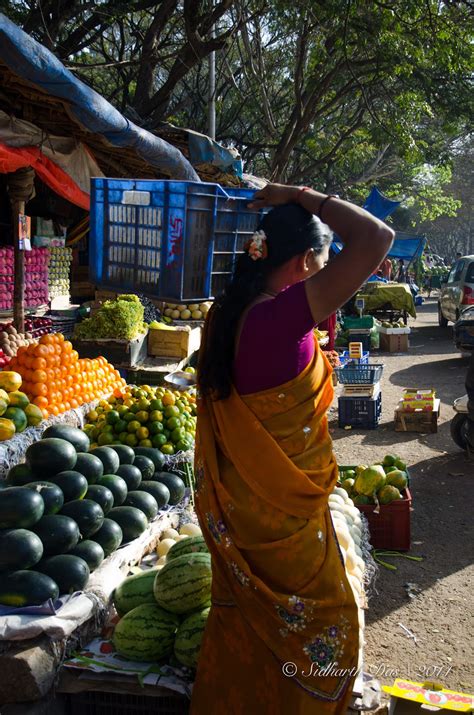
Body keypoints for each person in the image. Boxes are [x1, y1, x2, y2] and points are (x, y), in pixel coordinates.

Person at [192, 184, 394, 714]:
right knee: (324, 621)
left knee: (248, 623)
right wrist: (301, 194)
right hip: (289, 524)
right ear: (306, 259)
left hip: (243, 515)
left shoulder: (226, 314)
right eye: (325, 260)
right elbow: (377, 236)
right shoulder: (281, 321)